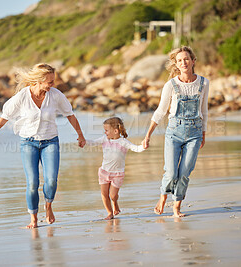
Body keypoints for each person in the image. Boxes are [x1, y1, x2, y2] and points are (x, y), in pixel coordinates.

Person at [0, 63, 86, 228]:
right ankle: (33, 219)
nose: (53, 84)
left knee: (51, 181)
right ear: (39, 81)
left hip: (50, 142)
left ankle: (48, 206)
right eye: (50, 82)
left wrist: (80, 135)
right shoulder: (22, 97)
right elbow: (5, 117)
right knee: (33, 183)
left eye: (53, 81)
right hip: (28, 143)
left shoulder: (55, 95)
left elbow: (70, 115)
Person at [142, 46, 209, 217]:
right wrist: (148, 135)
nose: (183, 62)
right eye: (179, 60)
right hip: (174, 132)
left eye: (186, 59)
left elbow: (204, 110)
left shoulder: (204, 83)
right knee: (171, 172)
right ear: (176, 65)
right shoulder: (170, 85)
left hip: (194, 133)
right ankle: (163, 196)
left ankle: (176, 207)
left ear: (193, 61)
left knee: (185, 172)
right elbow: (160, 111)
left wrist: (203, 133)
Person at [87, 117, 145, 220]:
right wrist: (83, 141)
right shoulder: (105, 139)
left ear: (115, 131)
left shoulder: (123, 142)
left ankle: (115, 203)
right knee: (104, 194)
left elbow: (136, 148)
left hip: (117, 174)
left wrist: (143, 146)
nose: (105, 132)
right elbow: (93, 142)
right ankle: (110, 212)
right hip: (104, 172)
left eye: (106, 130)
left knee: (113, 195)